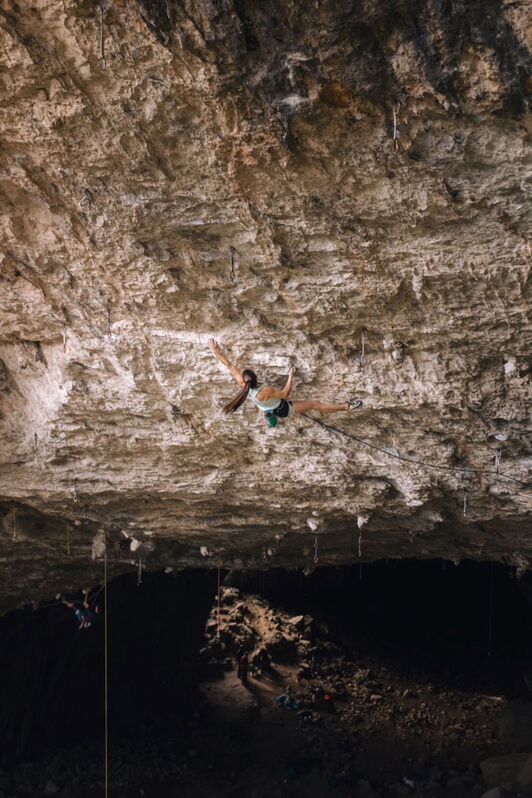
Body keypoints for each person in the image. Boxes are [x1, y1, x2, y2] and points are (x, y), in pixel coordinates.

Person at [209, 339, 362, 427]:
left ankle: (271, 421)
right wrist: (291, 375)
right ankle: (346, 407)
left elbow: (229, 365)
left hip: (268, 406)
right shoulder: (265, 391)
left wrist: (215, 350)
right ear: (256, 378)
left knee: (271, 414)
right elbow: (285, 394)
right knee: (315, 404)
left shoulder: (243, 385)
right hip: (283, 408)